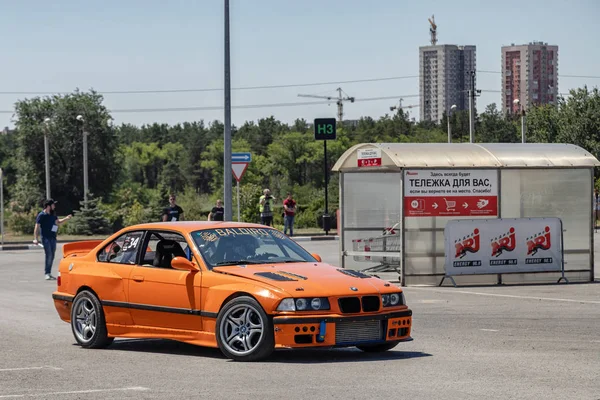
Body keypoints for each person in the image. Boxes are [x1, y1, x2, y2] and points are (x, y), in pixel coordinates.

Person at [33, 199, 72, 280]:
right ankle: (47, 273)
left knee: (52, 255)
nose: (54, 206)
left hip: (53, 238)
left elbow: (58, 222)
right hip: (45, 238)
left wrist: (66, 218)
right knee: (49, 255)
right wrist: (36, 239)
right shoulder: (42, 215)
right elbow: (37, 227)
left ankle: (49, 272)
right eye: (53, 205)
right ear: (48, 206)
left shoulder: (53, 214)